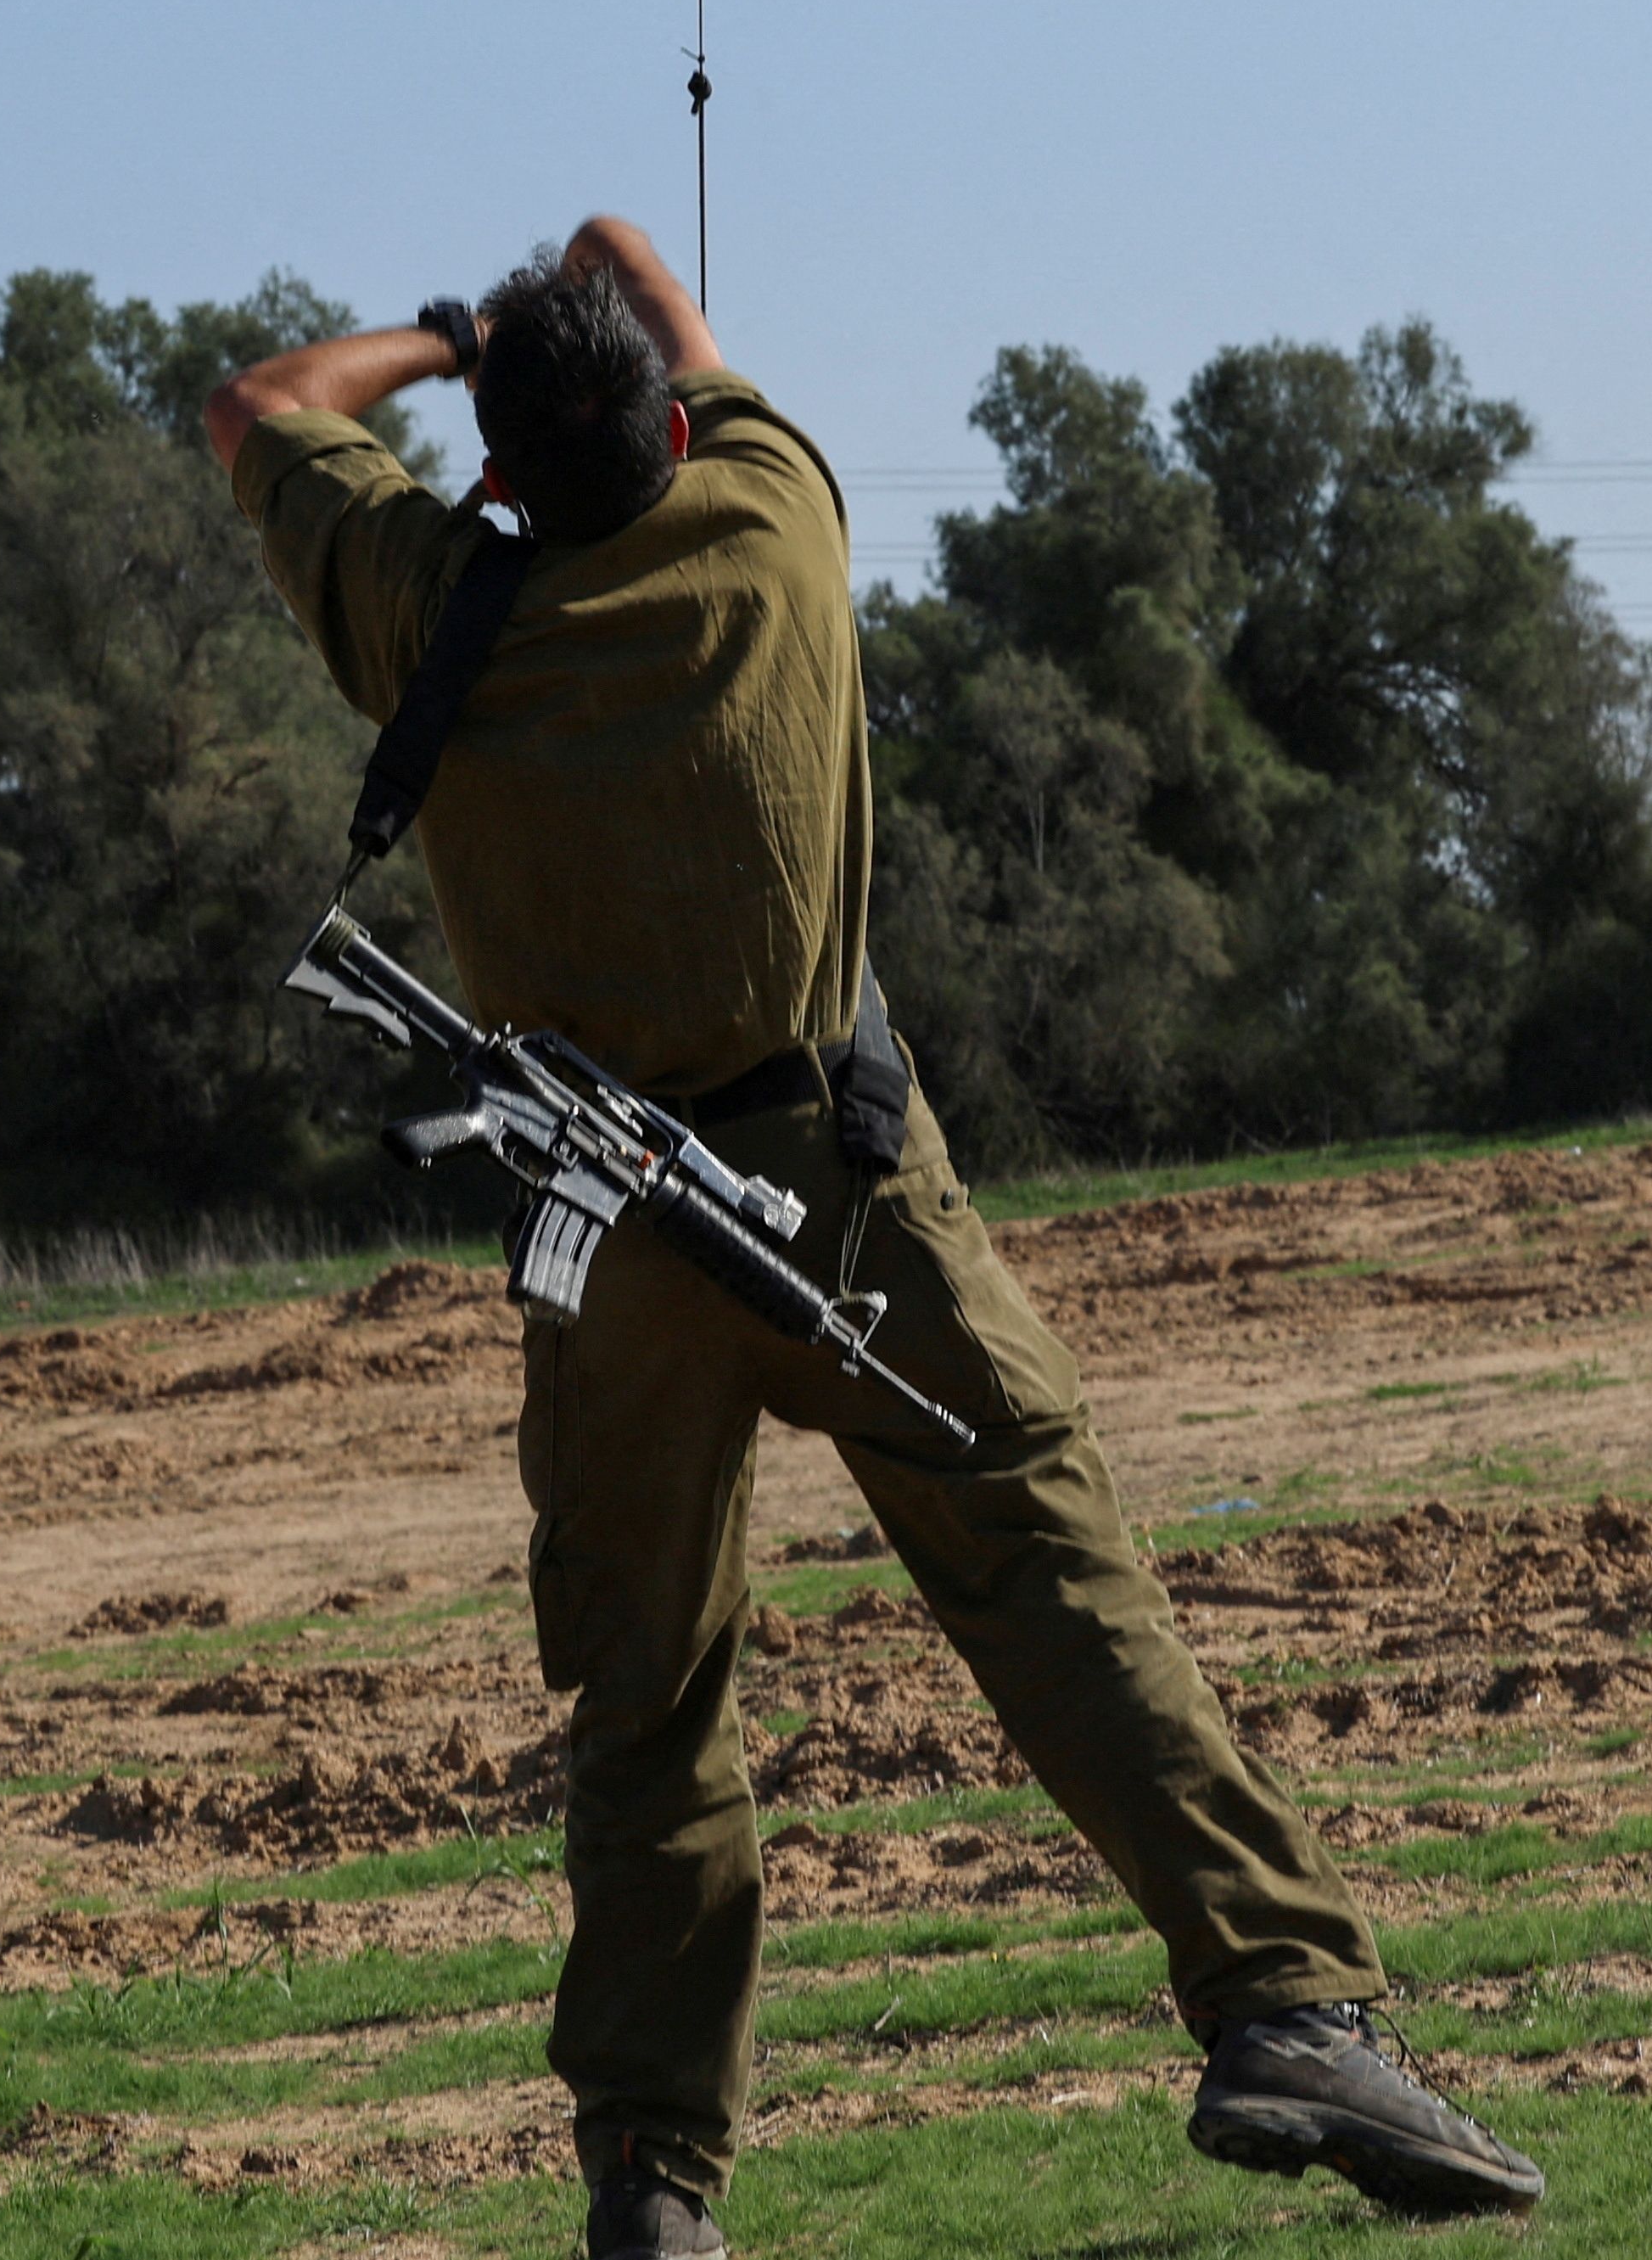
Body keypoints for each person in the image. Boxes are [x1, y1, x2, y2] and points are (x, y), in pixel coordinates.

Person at [204, 220, 1541, 2257]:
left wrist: (449, 345)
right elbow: (632, 267)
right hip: (844, 1176)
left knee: (648, 1708)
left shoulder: (421, 597)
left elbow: (261, 409)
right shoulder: (770, 513)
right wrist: (544, 298)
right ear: (668, 420)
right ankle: (1282, 2004)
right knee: (1051, 1566)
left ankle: (655, 2184)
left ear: (494, 473)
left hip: (615, 1244)